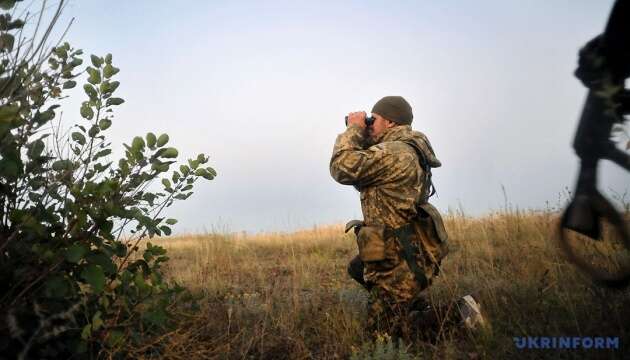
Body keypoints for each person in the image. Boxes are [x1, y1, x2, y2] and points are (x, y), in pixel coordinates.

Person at [329, 96, 484, 339]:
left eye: (373, 120)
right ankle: (410, 305)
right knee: (358, 267)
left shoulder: (396, 152)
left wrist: (354, 129)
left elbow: (342, 167)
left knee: (381, 338)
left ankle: (461, 313)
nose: (369, 125)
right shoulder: (402, 149)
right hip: (405, 249)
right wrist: (365, 134)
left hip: (400, 261)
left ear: (390, 122)